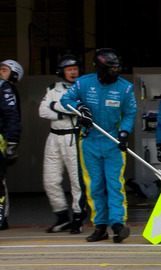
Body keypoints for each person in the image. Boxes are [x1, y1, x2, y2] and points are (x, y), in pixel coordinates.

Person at [61, 48, 137, 243]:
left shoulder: (125, 88)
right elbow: (65, 99)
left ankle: (118, 225)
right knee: (94, 186)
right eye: (111, 68)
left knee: (115, 184)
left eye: (117, 68)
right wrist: (80, 108)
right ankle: (100, 226)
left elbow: (130, 113)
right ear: (101, 68)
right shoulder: (83, 83)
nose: (115, 71)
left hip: (113, 142)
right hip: (89, 141)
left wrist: (124, 132)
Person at [39, 54, 86, 234]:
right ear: (62, 72)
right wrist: (66, 111)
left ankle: (77, 218)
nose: (73, 72)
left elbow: (80, 110)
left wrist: (55, 106)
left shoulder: (83, 87)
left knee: (77, 181)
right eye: (69, 69)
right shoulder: (53, 88)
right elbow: (42, 111)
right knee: (50, 181)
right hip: (53, 138)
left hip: (73, 138)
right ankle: (61, 217)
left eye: (75, 69)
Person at [0, 59, 23, 230]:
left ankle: (2, 216)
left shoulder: (6, 88)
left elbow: (12, 116)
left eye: (5, 69)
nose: (1, 71)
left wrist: (12, 142)